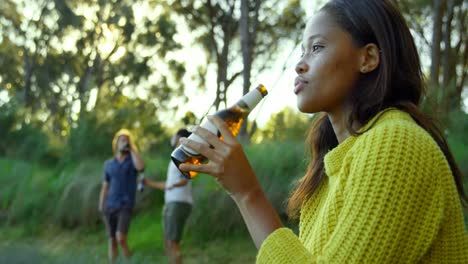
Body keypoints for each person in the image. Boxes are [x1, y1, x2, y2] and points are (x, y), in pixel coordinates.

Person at [176, 0, 468, 263]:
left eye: (316, 48)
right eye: (303, 51)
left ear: (367, 59)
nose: (300, 65)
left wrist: (247, 193)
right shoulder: (332, 168)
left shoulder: (397, 143)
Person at [143, 129, 193, 264]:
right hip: (171, 203)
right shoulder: (175, 158)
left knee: (172, 241)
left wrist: (174, 185)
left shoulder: (184, 156)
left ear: (180, 138)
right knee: (168, 241)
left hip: (179, 202)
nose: (172, 139)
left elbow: (185, 179)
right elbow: (168, 184)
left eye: (175, 136)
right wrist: (149, 183)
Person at [98, 129, 145, 263]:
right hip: (109, 205)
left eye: (127, 140)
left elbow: (141, 167)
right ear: (116, 144)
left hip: (125, 204)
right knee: (112, 239)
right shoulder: (108, 164)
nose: (125, 142)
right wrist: (101, 205)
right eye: (122, 140)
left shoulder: (132, 161)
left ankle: (128, 260)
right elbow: (105, 186)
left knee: (120, 237)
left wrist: (132, 149)